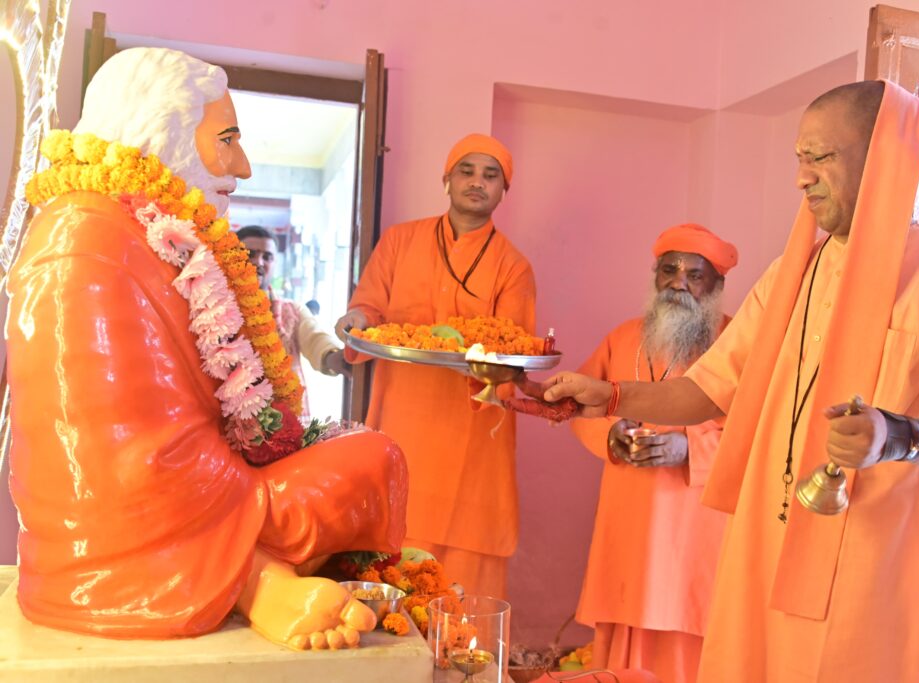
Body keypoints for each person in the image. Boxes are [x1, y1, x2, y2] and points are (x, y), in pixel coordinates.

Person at [544, 80, 919, 681]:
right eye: (799, 157)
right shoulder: (790, 275)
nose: (802, 177)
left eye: (820, 156)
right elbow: (710, 389)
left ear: (883, 157)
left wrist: (898, 435)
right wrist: (609, 396)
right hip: (770, 545)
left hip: (877, 569)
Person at [8, 47, 408, 651]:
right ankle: (251, 578)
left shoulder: (145, 233)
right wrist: (250, 563)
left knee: (367, 458)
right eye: (226, 140)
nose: (243, 167)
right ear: (160, 133)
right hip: (124, 539)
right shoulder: (84, 244)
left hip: (204, 485)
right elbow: (125, 462)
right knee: (369, 464)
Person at [336, 133, 536, 599]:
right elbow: (369, 310)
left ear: (503, 190)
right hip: (402, 423)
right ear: (447, 178)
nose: (477, 183)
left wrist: (489, 365)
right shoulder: (401, 240)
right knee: (392, 551)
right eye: (466, 171)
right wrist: (356, 320)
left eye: (491, 176)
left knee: (465, 583)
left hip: (471, 441)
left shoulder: (513, 266)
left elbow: (510, 356)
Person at [570, 224, 735, 682]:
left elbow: (761, 435)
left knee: (689, 649)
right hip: (628, 526)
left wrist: (690, 447)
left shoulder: (739, 345)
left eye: (695, 274)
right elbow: (578, 408)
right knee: (620, 649)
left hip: (696, 534)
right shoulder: (622, 337)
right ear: (655, 275)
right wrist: (610, 436)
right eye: (669, 269)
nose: (678, 282)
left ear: (716, 286)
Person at [236, 225, 347, 417]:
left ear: (275, 263)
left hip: (284, 419)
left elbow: (315, 338)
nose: (258, 262)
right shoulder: (215, 308)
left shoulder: (292, 310)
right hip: (232, 413)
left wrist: (336, 358)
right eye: (250, 254)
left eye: (267, 256)